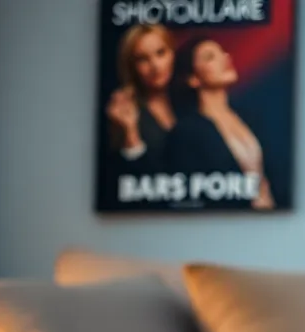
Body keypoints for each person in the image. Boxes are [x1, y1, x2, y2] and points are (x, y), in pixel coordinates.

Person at [164, 37, 274, 209]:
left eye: (223, 52)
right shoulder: (187, 132)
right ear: (193, 78)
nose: (225, 58)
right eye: (210, 57)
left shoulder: (248, 117)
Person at [102, 24, 176, 202]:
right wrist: (130, 131)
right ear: (131, 66)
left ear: (172, 53)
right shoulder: (125, 111)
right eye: (143, 59)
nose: (155, 66)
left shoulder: (190, 101)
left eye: (161, 53)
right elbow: (130, 183)